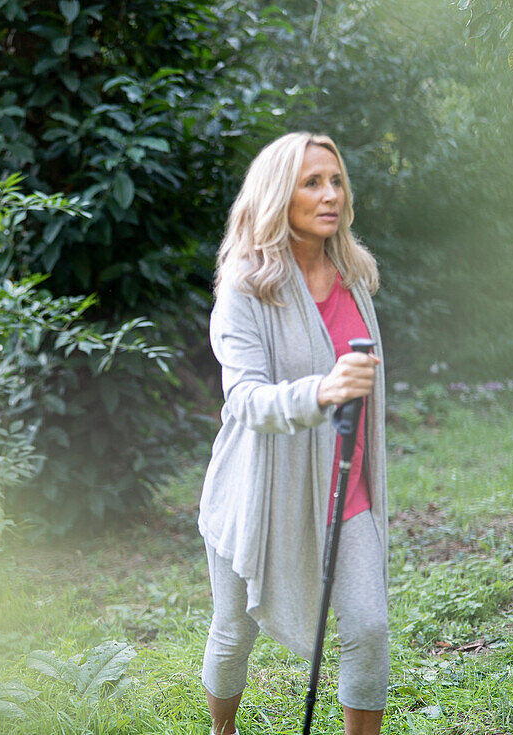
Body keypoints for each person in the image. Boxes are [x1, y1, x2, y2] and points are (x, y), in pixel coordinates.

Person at [198, 132, 388, 735]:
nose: (329, 194)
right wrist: (325, 390)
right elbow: (246, 400)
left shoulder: (353, 274)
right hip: (257, 488)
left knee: (369, 627)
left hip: (344, 484)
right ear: (280, 193)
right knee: (233, 630)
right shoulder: (245, 288)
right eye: (312, 182)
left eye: (335, 181)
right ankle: (222, 728)